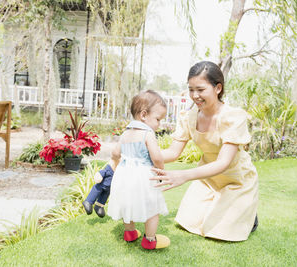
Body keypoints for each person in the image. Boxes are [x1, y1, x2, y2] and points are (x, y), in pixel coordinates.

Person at [151, 61, 259, 242]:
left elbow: (223, 163)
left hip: (236, 178)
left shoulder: (232, 117)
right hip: (207, 178)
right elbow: (173, 152)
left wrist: (183, 175)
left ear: (218, 88)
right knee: (189, 223)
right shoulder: (188, 116)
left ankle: (248, 213)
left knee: (218, 232)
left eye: (200, 90)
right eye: (191, 89)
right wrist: (141, 153)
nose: (195, 95)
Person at [106, 90, 170, 250]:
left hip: (124, 175)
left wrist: (118, 162)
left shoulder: (126, 133)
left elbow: (115, 153)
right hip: (143, 176)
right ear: (144, 115)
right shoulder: (148, 134)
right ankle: (149, 240)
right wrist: (161, 169)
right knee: (152, 206)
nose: (159, 124)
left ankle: (130, 233)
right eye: (158, 119)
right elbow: (157, 158)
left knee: (128, 204)